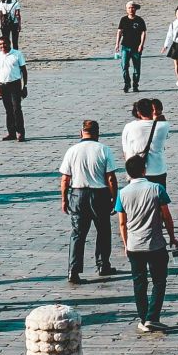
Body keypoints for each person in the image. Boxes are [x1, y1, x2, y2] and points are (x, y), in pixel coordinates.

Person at [118, 154, 178, 333]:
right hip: (155, 243)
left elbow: (122, 222)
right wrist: (172, 236)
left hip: (134, 245)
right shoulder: (156, 188)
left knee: (139, 282)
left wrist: (125, 243)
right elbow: (166, 216)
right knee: (159, 281)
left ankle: (144, 318)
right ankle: (153, 316)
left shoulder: (122, 193)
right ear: (144, 170)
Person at [58, 119, 119, 283]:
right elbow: (111, 178)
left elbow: (65, 179)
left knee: (77, 234)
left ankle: (73, 270)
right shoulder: (104, 150)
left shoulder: (72, 151)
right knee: (103, 231)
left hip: (78, 194)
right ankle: (103, 264)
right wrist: (115, 197)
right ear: (98, 133)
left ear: (81, 132)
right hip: (100, 195)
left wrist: (64, 199)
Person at [121, 99, 170, 186]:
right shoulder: (164, 126)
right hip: (157, 170)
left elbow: (125, 152)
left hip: (136, 171)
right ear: (153, 110)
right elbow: (162, 121)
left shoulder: (129, 127)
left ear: (138, 113)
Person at [0, 36, 28, 141]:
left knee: (16, 108)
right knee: (8, 110)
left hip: (15, 84)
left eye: (4, 44)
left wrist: (24, 86)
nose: (2, 46)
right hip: (3, 85)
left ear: (9, 43)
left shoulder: (17, 54)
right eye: (0, 44)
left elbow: (24, 71)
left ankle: (20, 132)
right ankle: (11, 132)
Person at [117, 1, 148, 93]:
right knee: (124, 66)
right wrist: (117, 44)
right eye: (129, 8)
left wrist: (141, 45)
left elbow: (143, 32)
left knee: (136, 67)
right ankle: (127, 83)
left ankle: (135, 84)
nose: (131, 9)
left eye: (133, 7)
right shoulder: (123, 20)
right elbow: (119, 32)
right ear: (126, 9)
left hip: (136, 47)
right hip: (125, 46)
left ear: (135, 9)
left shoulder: (139, 20)